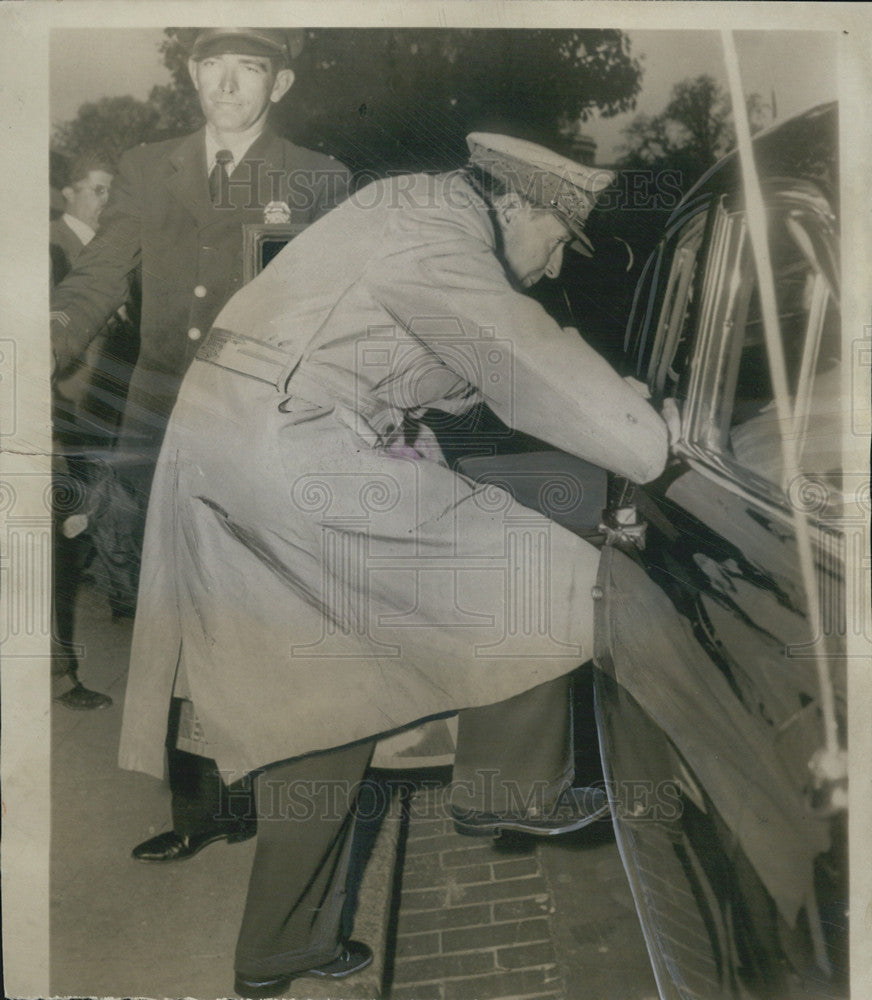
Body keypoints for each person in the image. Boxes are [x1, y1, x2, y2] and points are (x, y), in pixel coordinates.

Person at [118, 131, 669, 996]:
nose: (557, 265)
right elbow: (519, 356)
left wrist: (595, 399)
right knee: (547, 574)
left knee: (324, 709)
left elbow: (438, 370)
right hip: (293, 448)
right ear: (518, 203)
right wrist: (646, 443)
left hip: (241, 438)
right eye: (559, 240)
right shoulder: (441, 228)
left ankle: (279, 948)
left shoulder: (410, 209)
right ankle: (506, 790)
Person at [51, 28, 352, 860]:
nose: (227, 83)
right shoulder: (151, 167)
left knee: (261, 610)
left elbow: (317, 309)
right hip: (160, 421)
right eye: (213, 65)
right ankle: (199, 810)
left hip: (260, 424)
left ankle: (272, 789)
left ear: (280, 83)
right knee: (176, 617)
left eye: (249, 68)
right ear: (192, 73)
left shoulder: (315, 178)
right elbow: (103, 269)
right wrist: (50, 336)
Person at [50, 152, 120, 710]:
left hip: (86, 415)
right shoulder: (52, 247)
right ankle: (58, 675)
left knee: (65, 544)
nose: (105, 201)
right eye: (97, 189)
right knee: (51, 550)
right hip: (55, 416)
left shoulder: (106, 252)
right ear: (68, 193)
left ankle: (59, 670)